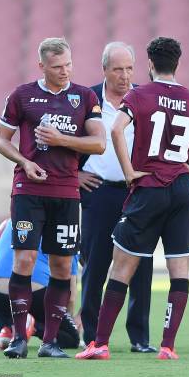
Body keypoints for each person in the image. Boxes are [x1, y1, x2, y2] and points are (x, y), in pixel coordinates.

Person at [75, 37, 189, 361]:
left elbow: (117, 130)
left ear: (149, 65)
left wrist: (129, 171)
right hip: (181, 190)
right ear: (177, 64)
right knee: (178, 269)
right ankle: (167, 346)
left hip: (148, 186)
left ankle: (100, 344)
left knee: (121, 267)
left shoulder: (140, 95)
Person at [0, 37, 105, 358]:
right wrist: (25, 162)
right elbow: (1, 140)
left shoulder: (84, 97)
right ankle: (19, 339)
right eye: (57, 67)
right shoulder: (22, 95)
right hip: (28, 190)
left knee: (61, 265)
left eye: (68, 64)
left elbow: (98, 143)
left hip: (67, 192)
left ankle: (51, 342)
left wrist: (62, 139)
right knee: (24, 259)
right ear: (41, 65)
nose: (65, 71)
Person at [78, 42, 155, 353]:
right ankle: (93, 336)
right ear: (104, 70)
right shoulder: (87, 99)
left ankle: (139, 338)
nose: (124, 76)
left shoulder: (144, 98)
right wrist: (74, 175)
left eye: (129, 69)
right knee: (95, 265)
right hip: (98, 191)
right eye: (117, 69)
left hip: (137, 193)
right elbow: (67, 141)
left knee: (141, 267)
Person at [0, 219, 80, 350]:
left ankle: (7, 328)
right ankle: (31, 327)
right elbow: (70, 294)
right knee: (70, 339)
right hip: (36, 290)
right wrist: (68, 321)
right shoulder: (66, 228)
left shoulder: (6, 224)